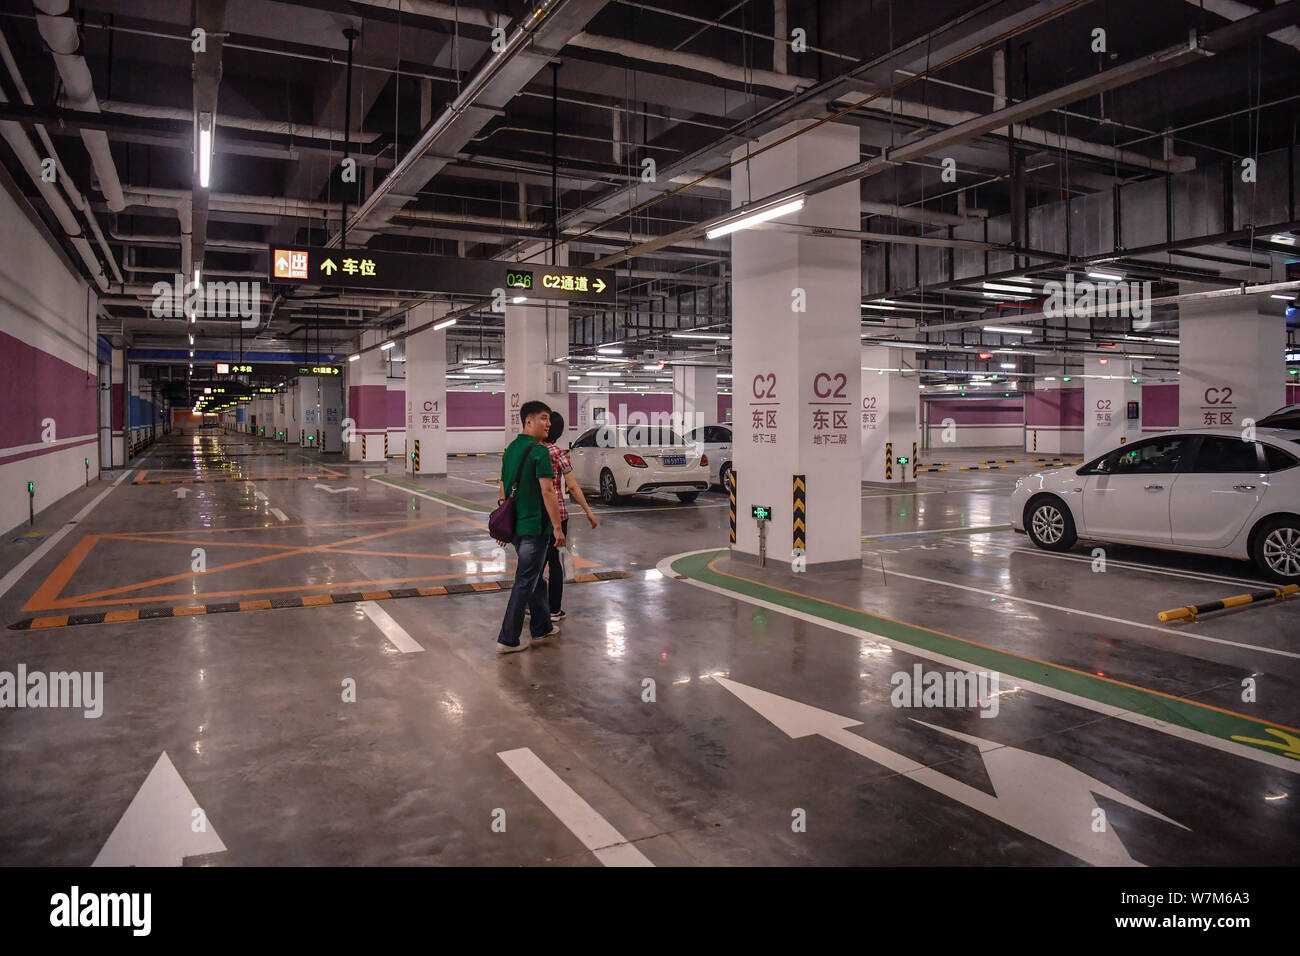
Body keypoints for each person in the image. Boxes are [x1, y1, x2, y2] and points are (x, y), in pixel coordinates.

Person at [494, 401, 566, 654]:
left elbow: (504, 487)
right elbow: (548, 491)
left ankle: (542, 625)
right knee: (525, 580)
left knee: (535, 578)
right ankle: (508, 638)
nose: (548, 424)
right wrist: (557, 527)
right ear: (529, 421)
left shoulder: (511, 449)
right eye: (544, 418)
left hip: (516, 526)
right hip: (535, 527)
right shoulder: (539, 452)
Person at [540, 412, 598, 622]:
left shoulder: (532, 451)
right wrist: (588, 511)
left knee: (533, 563)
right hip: (559, 515)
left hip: (535, 514)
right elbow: (572, 486)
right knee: (555, 563)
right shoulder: (557, 453)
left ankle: (534, 606)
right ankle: (554, 609)